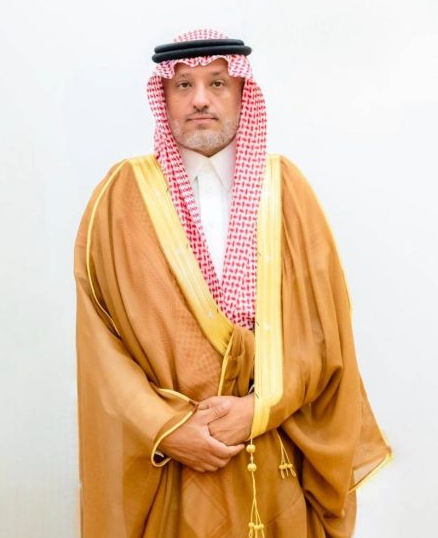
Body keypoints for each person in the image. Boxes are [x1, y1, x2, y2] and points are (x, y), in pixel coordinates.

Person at [74, 29, 392, 538]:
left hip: (274, 455)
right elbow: (101, 344)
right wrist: (168, 428)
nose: (200, 99)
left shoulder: (286, 190)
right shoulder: (121, 197)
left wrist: (260, 408)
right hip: (172, 472)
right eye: (184, 85)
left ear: (243, 92)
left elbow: (322, 334)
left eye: (217, 82)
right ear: (164, 97)